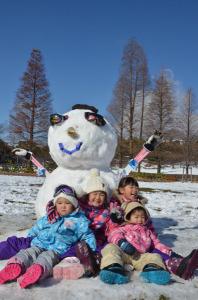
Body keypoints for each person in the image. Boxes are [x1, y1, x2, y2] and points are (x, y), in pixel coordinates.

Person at [0, 185, 96, 288]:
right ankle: (15, 265)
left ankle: (37, 270)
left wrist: (91, 249)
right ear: (55, 204)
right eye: (59, 203)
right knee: (28, 253)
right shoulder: (49, 217)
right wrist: (31, 236)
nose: (63, 206)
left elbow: (87, 235)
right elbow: (37, 227)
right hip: (40, 243)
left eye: (67, 203)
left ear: (73, 205)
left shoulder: (79, 220)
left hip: (57, 249)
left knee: (47, 258)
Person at [108, 176, 198, 280]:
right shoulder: (116, 204)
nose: (135, 190)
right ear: (122, 190)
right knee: (156, 254)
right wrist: (117, 219)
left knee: (160, 248)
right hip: (126, 240)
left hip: (142, 237)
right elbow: (113, 227)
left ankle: (182, 261)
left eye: (136, 187)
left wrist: (152, 238)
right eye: (131, 187)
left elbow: (148, 224)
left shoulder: (139, 203)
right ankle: (177, 265)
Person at [100, 201, 171, 285]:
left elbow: (156, 243)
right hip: (123, 253)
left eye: (142, 217)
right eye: (136, 217)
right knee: (110, 248)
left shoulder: (147, 231)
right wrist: (122, 243)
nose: (140, 219)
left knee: (155, 256)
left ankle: (153, 271)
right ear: (128, 217)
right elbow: (113, 234)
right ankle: (113, 268)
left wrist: (166, 251)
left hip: (139, 256)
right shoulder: (124, 227)